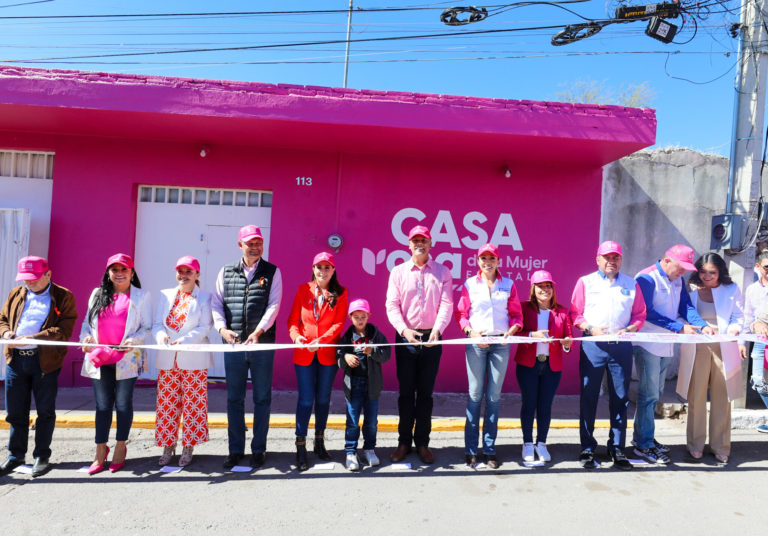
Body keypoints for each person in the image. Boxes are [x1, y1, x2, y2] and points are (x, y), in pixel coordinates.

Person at [632, 245, 713, 464]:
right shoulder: (646, 277)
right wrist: (679, 328)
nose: (683, 272)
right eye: (681, 267)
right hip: (647, 343)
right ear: (667, 260)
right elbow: (645, 312)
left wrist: (702, 325)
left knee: (655, 394)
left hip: (667, 343)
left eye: (686, 269)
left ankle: (643, 438)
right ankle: (643, 445)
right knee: (649, 395)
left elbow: (686, 307)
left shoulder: (676, 279)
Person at [569, 241, 646, 470]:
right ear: (598, 259)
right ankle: (587, 448)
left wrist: (630, 328)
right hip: (593, 346)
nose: (611, 261)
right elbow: (575, 313)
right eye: (607, 257)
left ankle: (617, 448)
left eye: (616, 258)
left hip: (621, 347)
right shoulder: (585, 282)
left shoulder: (631, 284)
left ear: (621, 260)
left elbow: (640, 314)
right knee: (589, 397)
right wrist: (590, 328)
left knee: (620, 398)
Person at [211, 224, 282, 470]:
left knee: (262, 398)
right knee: (234, 399)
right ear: (240, 245)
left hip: (262, 345)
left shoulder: (272, 272)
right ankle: (235, 450)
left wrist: (258, 332)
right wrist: (222, 330)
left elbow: (273, 306)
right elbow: (216, 304)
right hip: (234, 346)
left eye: (258, 243)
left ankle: (259, 449)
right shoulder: (225, 271)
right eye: (250, 243)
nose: (255, 247)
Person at [0, 256, 77, 478]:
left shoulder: (63, 296)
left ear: (48, 274)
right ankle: (15, 456)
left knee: (44, 412)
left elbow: (64, 329)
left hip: (44, 362)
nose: (29, 282)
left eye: (34, 278)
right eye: (25, 278)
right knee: (15, 412)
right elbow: (2, 318)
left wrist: (33, 338)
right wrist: (7, 332)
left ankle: (42, 456)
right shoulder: (17, 293)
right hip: (16, 360)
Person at [386, 225, 453, 464]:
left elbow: (446, 304)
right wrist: (404, 330)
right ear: (409, 245)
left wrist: (437, 330)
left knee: (425, 394)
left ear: (430, 243)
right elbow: (392, 305)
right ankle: (404, 442)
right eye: (415, 240)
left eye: (423, 240)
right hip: (406, 339)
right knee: (406, 393)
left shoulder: (443, 272)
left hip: (432, 339)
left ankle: (422, 443)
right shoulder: (398, 272)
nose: (419, 244)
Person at [80, 253, 152, 474]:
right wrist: (86, 338)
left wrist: (134, 340)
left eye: (124, 269)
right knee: (102, 405)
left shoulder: (141, 296)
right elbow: (86, 324)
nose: (119, 273)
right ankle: (100, 450)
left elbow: (147, 327)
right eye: (114, 269)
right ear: (108, 272)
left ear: (132, 272)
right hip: (99, 357)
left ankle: (121, 446)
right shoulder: (97, 294)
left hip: (126, 358)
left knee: (122, 403)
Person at [454, 243, 522, 468]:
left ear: (498, 261)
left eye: (491, 258)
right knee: (475, 396)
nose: (487, 262)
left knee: (493, 397)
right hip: (476, 344)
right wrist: (471, 332)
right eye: (483, 258)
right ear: (478, 261)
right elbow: (461, 314)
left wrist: (511, 331)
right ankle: (471, 450)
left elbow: (516, 316)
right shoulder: (470, 284)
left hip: (500, 344)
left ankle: (490, 449)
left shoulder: (508, 284)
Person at [677, 253, 743, 465]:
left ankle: (721, 446)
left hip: (724, 346)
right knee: (695, 397)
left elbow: (739, 317)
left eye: (712, 272)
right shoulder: (691, 289)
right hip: (697, 347)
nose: (707, 276)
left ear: (720, 272)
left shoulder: (732, 289)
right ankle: (695, 445)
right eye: (703, 272)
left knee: (723, 398)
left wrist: (734, 331)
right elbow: (681, 314)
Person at [288, 252, 348, 471]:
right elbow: (293, 321)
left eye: (327, 267)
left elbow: (339, 324)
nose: (323, 271)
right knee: (306, 400)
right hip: (304, 353)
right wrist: (297, 338)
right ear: (313, 269)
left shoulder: (341, 293)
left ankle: (319, 442)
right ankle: (300, 446)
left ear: (333, 270)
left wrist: (320, 341)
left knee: (323, 399)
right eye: (319, 267)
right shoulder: (302, 290)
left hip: (327, 354)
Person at [152, 256, 213, 467]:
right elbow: (157, 324)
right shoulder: (165, 295)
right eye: (180, 271)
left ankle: (189, 446)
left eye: (189, 271)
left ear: (197, 274)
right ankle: (168, 445)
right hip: (168, 359)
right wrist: (161, 336)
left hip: (193, 358)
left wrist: (184, 341)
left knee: (193, 405)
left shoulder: (205, 297)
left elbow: (205, 327)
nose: (183, 275)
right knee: (167, 405)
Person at [516, 270, 572, 464]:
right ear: (533, 288)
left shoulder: (562, 311)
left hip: (552, 366)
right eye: (540, 286)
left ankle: (541, 443)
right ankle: (527, 443)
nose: (545, 289)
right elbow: (515, 333)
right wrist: (532, 335)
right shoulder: (523, 308)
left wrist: (566, 344)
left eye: (548, 286)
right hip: (528, 365)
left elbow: (568, 339)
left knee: (545, 406)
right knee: (529, 404)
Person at [336, 298, 391, 471]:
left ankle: (369, 449)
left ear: (369, 316)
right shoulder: (346, 337)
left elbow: (386, 354)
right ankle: (350, 452)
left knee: (371, 421)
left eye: (363, 316)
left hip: (372, 384)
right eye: (356, 317)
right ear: (350, 317)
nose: (360, 320)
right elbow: (339, 358)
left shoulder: (376, 335)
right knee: (352, 421)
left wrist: (372, 351)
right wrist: (345, 357)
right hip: (353, 386)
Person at [743, 250, 768, 432]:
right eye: (767, 267)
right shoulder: (752, 290)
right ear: (758, 267)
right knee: (759, 381)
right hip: (760, 341)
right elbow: (747, 318)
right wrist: (742, 342)